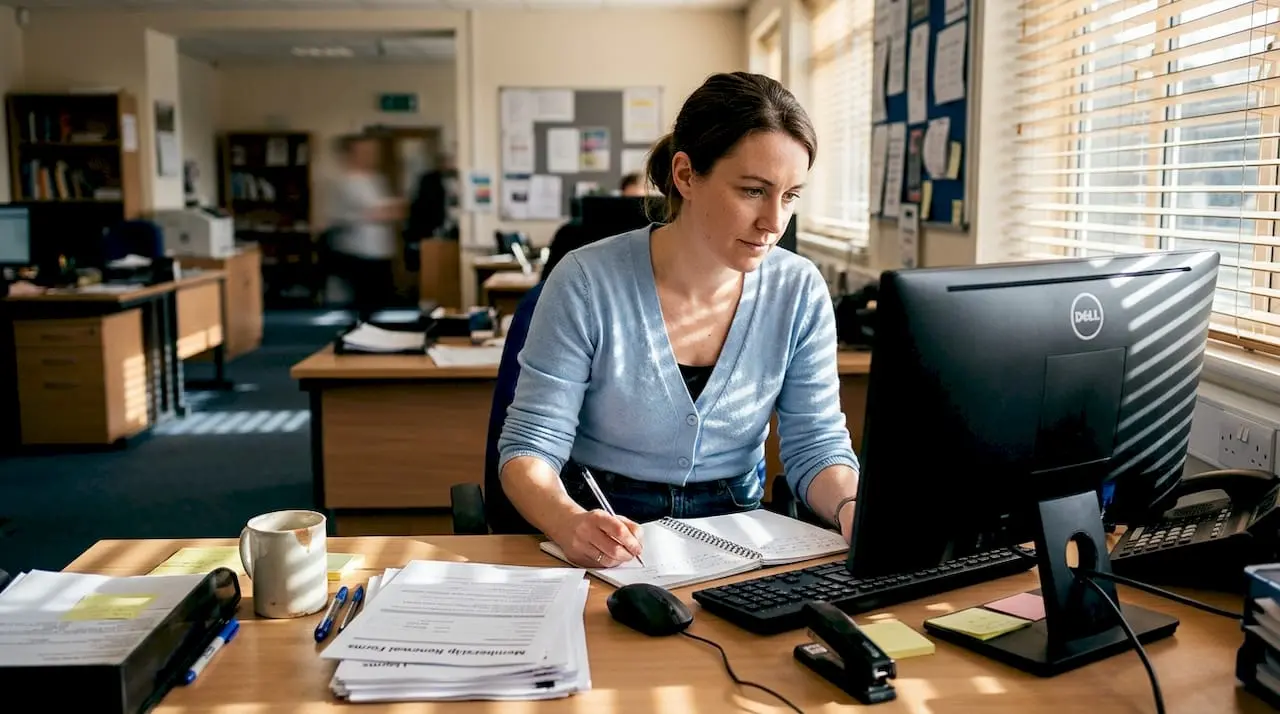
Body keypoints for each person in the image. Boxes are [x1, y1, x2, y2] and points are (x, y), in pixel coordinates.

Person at [497, 72, 860, 569]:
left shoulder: (799, 289)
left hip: (739, 528)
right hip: (606, 523)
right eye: (753, 191)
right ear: (686, 175)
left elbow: (816, 444)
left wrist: (851, 507)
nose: (775, 222)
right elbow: (529, 447)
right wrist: (565, 519)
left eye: (791, 195)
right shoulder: (586, 281)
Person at [327, 134, 404, 323]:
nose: (370, 155)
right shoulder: (345, 182)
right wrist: (383, 211)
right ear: (352, 154)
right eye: (365, 151)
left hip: (380, 249)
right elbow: (375, 212)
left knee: (380, 299)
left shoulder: (376, 179)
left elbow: (395, 211)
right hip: (357, 250)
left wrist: (384, 211)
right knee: (364, 301)